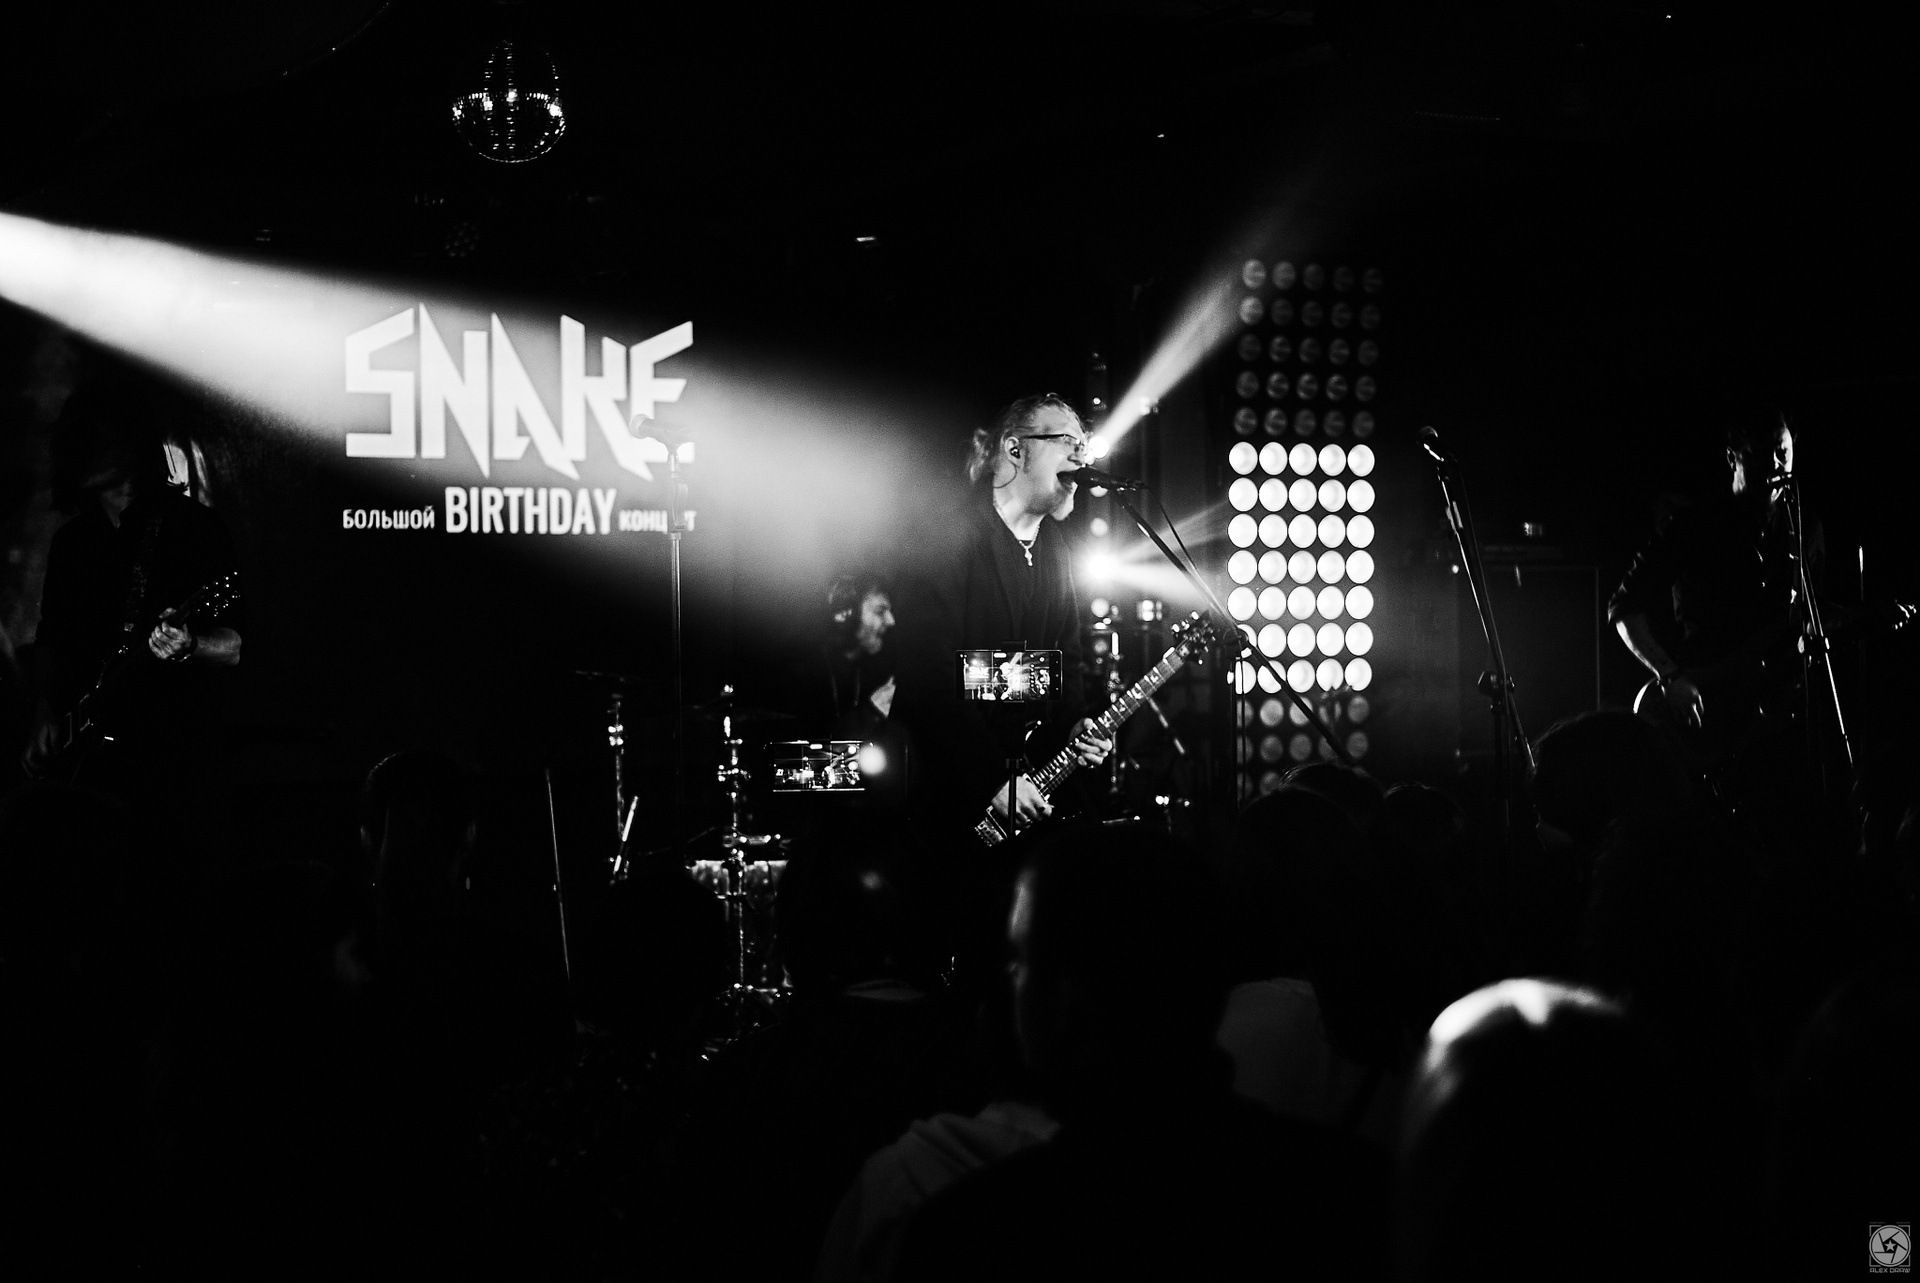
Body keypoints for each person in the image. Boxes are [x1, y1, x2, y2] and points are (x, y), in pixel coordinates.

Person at [890, 395, 1112, 837]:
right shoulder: (948, 535)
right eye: (1067, 441)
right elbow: (929, 674)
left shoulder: (1056, 551)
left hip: (1023, 790)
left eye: (1084, 446)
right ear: (1015, 449)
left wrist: (1074, 724)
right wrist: (992, 777)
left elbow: (1065, 661)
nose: (1081, 457)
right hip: (940, 795)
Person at [24, 412, 241, 796]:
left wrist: (190, 645)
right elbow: (51, 639)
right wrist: (44, 713)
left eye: (94, 439)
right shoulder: (72, 542)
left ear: (128, 446)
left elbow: (234, 647)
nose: (79, 453)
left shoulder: (195, 528)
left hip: (169, 761)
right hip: (85, 767)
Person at [1608, 405, 1816, 738]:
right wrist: (1670, 677)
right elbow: (1624, 607)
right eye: (1759, 455)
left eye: (1782, 453)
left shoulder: (1805, 530)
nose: (1775, 465)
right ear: (1733, 458)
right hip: (1705, 709)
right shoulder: (1692, 526)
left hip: (1773, 714)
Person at [790, 574, 898, 740]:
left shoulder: (876, 672)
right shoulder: (802, 674)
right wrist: (873, 711)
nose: (891, 621)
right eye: (880, 611)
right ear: (845, 615)